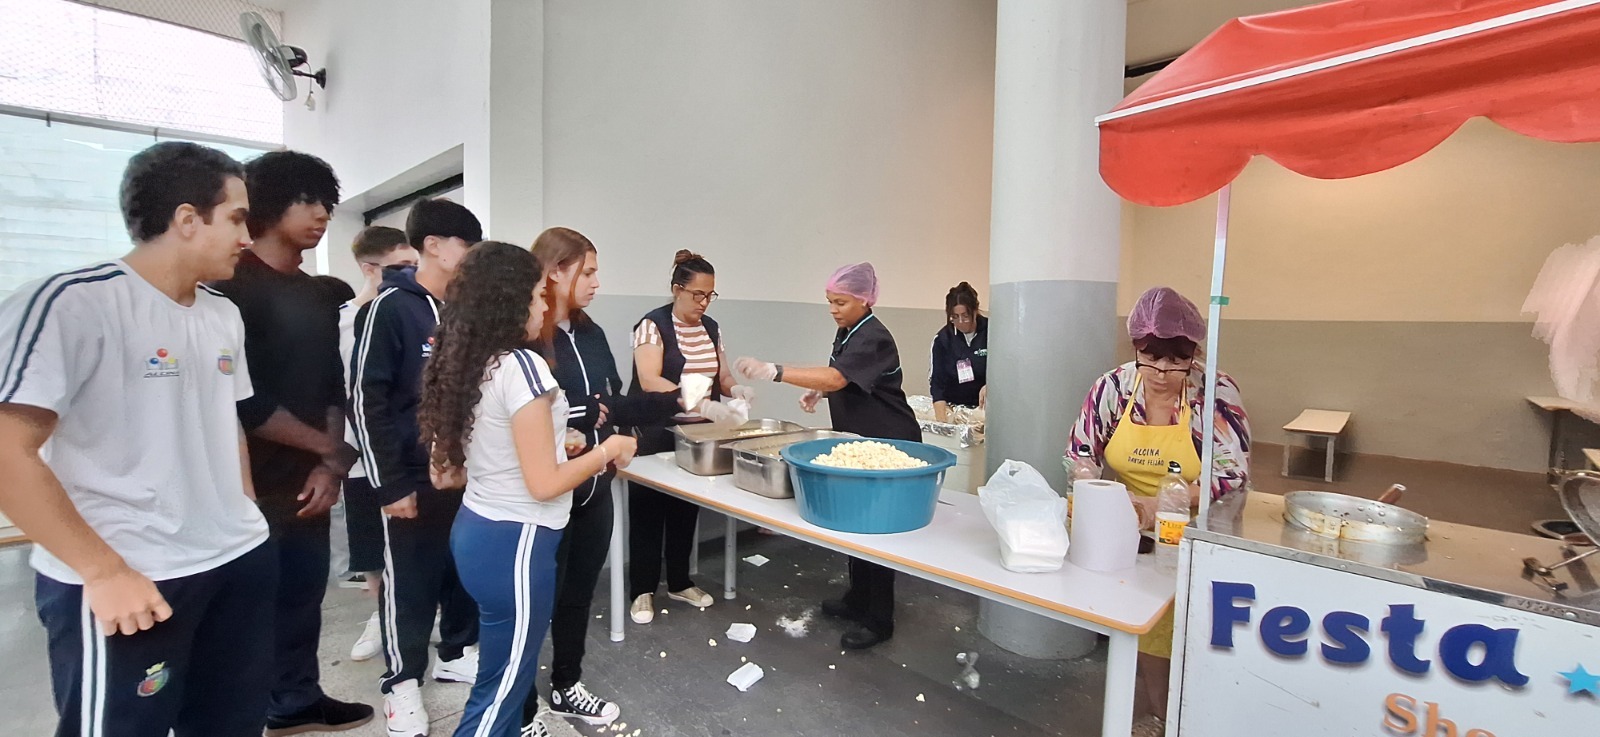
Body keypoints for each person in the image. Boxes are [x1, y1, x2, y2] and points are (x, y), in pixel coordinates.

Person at [0, 141, 275, 736]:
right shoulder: (73, 303)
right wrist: (103, 572)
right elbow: (7, 450)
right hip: (133, 578)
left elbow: (224, 418)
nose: (247, 236)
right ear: (185, 219)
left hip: (233, 561)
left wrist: (245, 512)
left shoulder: (222, 313)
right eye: (235, 217)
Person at [417, 241, 639, 737]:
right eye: (539, 295)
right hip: (517, 544)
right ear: (509, 300)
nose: (544, 307)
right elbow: (543, 484)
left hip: (477, 532)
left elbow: (447, 472)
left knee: (499, 680)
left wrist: (560, 442)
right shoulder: (522, 366)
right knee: (500, 696)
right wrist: (609, 450)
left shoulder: (471, 363)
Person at [207, 150, 374, 736]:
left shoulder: (318, 294)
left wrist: (328, 466)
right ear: (268, 203)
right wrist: (327, 453)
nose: (322, 213)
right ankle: (243, 712)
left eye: (327, 202)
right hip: (247, 482)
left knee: (302, 601)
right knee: (244, 611)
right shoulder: (228, 288)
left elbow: (332, 384)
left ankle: (297, 700)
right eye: (307, 200)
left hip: (310, 481)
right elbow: (242, 403)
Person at [1066, 286, 1250, 737]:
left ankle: (1181, 716)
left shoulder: (1215, 393)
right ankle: (1154, 714)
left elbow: (1231, 472)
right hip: (1127, 528)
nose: (1162, 373)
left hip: (1193, 531)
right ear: (1135, 350)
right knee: (1139, 625)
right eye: (1151, 359)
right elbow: (1080, 452)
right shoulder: (1114, 386)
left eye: (1175, 361)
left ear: (1193, 354)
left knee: (1179, 629)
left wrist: (1162, 502)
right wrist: (1100, 490)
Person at [524, 228, 682, 729]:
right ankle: (521, 706)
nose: (596, 282)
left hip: (595, 486)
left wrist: (682, 403)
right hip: (547, 492)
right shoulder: (528, 336)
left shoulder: (590, 334)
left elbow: (611, 401)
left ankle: (568, 682)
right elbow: (537, 410)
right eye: (587, 272)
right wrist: (584, 416)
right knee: (534, 601)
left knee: (577, 592)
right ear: (554, 271)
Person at [351, 198, 483, 737]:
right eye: (465, 245)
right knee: (409, 580)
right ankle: (402, 683)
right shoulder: (390, 307)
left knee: (460, 569)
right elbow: (368, 399)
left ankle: (455, 651)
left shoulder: (460, 310)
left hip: (462, 475)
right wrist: (389, 484)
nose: (470, 256)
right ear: (434, 245)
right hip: (408, 476)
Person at [735, 262, 919, 650]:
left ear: (864, 300)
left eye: (841, 302)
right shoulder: (848, 331)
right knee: (855, 523)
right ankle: (858, 597)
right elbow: (845, 377)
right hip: (861, 440)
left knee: (875, 530)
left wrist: (776, 372)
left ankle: (878, 617)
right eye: (829, 302)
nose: (833, 309)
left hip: (888, 440)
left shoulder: (874, 336)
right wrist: (821, 393)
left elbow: (837, 377)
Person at [627, 250, 752, 625]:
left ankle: (680, 581)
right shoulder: (652, 326)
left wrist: (735, 391)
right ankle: (642, 590)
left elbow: (721, 376)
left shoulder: (711, 328)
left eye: (710, 295)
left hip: (695, 436)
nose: (703, 302)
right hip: (655, 432)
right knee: (648, 512)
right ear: (676, 289)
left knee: (685, 509)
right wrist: (698, 402)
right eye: (697, 294)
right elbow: (650, 379)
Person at [336, 226, 420, 665]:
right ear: (370, 268)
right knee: (370, 547)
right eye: (401, 267)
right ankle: (380, 617)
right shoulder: (345, 321)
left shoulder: (416, 311)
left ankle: (420, 623)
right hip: (360, 457)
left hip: (409, 455)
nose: (411, 274)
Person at [929, 281, 988, 421]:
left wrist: (990, 386)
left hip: (984, 409)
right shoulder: (943, 339)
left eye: (965, 316)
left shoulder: (992, 332)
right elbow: (937, 383)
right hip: (954, 406)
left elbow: (1006, 371)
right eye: (955, 317)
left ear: (975, 310)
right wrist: (942, 421)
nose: (961, 322)